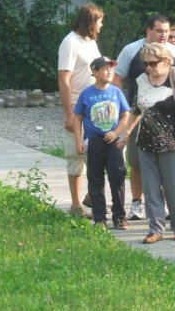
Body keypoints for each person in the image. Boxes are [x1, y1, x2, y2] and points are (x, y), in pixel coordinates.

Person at [113, 15, 175, 221]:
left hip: (170, 119)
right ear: (148, 31)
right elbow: (118, 77)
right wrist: (124, 108)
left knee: (170, 169)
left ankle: (171, 212)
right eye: (159, 31)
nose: (164, 35)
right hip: (141, 113)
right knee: (137, 163)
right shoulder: (131, 50)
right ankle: (137, 203)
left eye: (166, 31)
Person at [120, 43, 175, 244]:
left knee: (173, 186)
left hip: (173, 140)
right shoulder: (141, 80)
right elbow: (136, 110)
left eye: (153, 63)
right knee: (150, 187)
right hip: (146, 140)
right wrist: (125, 134)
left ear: (166, 61)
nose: (148, 67)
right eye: (145, 64)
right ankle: (155, 228)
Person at [73, 56, 131, 230]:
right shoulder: (86, 94)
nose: (109, 71)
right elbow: (77, 118)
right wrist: (79, 140)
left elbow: (125, 114)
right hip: (94, 141)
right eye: (105, 68)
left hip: (113, 141)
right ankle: (99, 218)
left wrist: (117, 132)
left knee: (117, 177)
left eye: (111, 68)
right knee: (95, 180)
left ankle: (119, 216)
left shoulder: (116, 92)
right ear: (95, 71)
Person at [58, 3, 104, 218]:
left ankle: (91, 196)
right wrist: (69, 114)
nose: (102, 25)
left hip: (97, 105)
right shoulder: (70, 43)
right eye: (100, 21)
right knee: (76, 153)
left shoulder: (90, 42)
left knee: (102, 151)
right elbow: (64, 79)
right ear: (90, 21)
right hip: (78, 107)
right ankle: (76, 205)